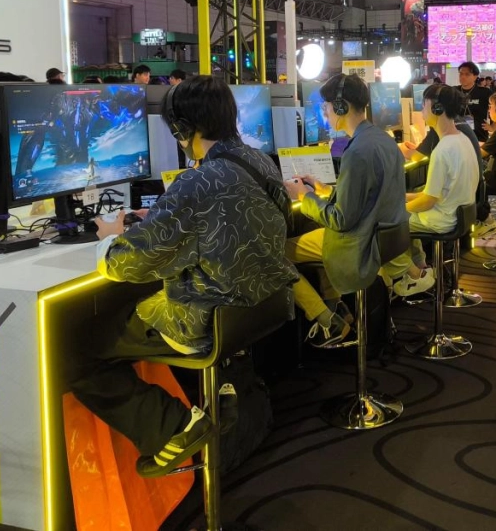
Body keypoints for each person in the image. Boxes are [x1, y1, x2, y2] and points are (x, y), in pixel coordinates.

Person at [70, 76, 297, 477]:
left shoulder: (196, 182)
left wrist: (109, 238)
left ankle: (172, 428)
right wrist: (162, 217)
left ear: (182, 128)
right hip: (259, 304)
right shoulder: (260, 161)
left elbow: (128, 264)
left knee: (77, 349)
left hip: (205, 316)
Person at [282, 74, 415, 346]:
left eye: (326, 106)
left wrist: (304, 197)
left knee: (277, 252)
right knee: (316, 233)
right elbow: (368, 197)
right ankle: (337, 309)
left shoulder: (357, 152)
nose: (325, 113)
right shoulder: (382, 140)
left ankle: (327, 320)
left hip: (358, 244)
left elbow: (341, 220)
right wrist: (324, 190)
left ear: (341, 107)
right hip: (384, 239)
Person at [396, 84, 481, 295]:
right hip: (458, 213)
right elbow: (440, 192)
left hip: (441, 219)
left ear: (436, 108)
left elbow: (428, 201)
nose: (422, 111)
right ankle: (421, 267)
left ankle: (415, 275)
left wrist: (397, 207)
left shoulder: (442, 150)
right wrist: (406, 197)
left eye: (424, 105)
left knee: (384, 223)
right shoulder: (462, 140)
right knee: (401, 212)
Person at [456, 61, 492, 142]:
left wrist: (493, 126)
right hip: (458, 135)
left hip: (478, 136)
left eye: (467, 74)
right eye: (461, 74)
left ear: (475, 77)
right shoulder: (454, 91)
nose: (463, 77)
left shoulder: (484, 92)